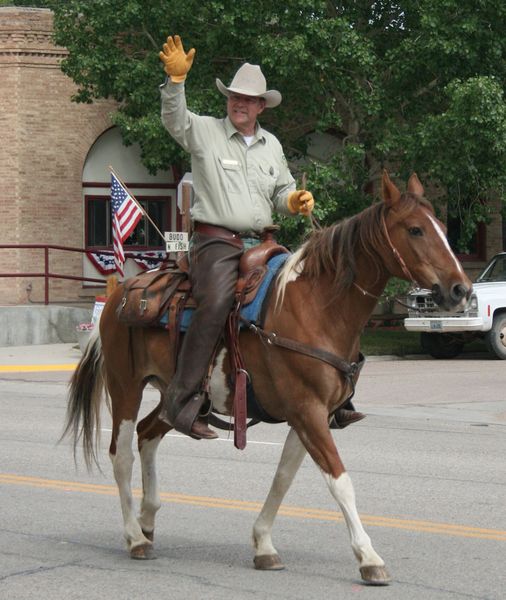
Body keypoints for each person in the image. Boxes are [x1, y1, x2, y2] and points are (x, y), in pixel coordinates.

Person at [158, 35, 364, 439]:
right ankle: (182, 400)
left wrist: (295, 199)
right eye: (235, 96)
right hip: (216, 242)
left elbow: (282, 190)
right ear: (229, 100)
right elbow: (174, 120)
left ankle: (335, 393)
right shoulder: (204, 132)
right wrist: (175, 82)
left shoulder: (272, 145)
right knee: (216, 302)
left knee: (310, 293)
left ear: (261, 106)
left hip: (264, 244)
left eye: (249, 99)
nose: (240, 103)